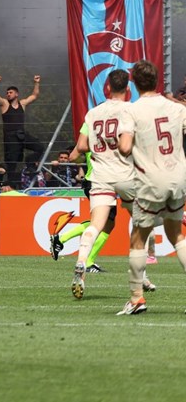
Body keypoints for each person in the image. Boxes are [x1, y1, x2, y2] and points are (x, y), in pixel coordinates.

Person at [115, 60, 186, 315]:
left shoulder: (130, 110)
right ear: (157, 81)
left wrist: (121, 145)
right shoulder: (176, 108)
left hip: (150, 180)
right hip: (178, 177)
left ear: (133, 82)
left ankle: (136, 298)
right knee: (176, 234)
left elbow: (124, 147)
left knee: (138, 236)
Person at [64, 70, 143, 299]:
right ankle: (140, 277)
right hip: (126, 174)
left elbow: (81, 147)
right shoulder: (131, 110)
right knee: (140, 221)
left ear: (107, 87)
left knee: (95, 225)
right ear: (128, 88)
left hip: (100, 175)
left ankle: (81, 262)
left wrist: (101, 145)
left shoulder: (93, 113)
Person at [0, 73, 45, 187]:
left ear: (16, 94)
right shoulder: (5, 104)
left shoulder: (22, 103)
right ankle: (11, 185)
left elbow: (34, 95)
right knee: (12, 163)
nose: (8, 94)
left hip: (22, 134)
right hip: (11, 137)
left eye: (10, 92)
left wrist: (36, 82)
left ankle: (29, 162)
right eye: (7, 93)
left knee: (39, 147)